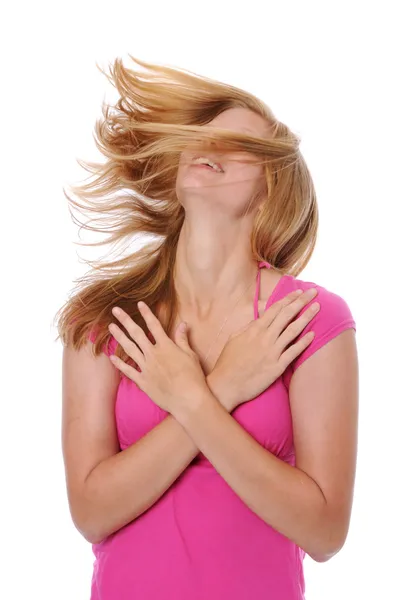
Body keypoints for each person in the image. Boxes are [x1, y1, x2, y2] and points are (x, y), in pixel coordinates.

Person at [56, 56, 359, 600]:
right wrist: (221, 387)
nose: (209, 148)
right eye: (203, 136)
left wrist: (192, 400)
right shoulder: (104, 319)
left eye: (237, 145)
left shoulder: (310, 321)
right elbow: (91, 512)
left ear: (272, 189)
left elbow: (325, 531)